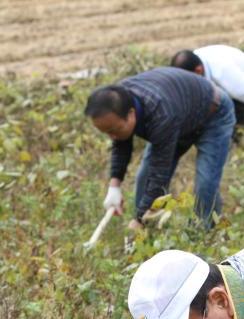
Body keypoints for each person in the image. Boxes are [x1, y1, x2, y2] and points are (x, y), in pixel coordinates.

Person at [84, 67, 235, 230]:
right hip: (182, 114)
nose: (112, 137)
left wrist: (139, 219)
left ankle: (204, 233)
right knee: (145, 176)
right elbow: (121, 142)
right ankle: (150, 230)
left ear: (131, 113)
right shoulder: (117, 102)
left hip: (213, 113)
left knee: (206, 183)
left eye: (114, 130)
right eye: (106, 132)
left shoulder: (160, 113)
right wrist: (114, 185)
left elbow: (159, 174)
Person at [171, 45, 244, 141]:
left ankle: (236, 142)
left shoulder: (223, 72)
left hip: (242, 75)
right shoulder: (190, 66)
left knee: (233, 122)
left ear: (198, 71)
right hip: (217, 74)